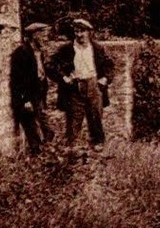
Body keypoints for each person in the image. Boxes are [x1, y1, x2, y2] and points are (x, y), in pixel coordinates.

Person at [48, 18, 113, 148]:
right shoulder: (66, 49)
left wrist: (105, 78)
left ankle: (98, 147)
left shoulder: (98, 48)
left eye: (82, 31)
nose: (79, 34)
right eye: (77, 31)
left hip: (94, 86)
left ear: (89, 32)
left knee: (96, 118)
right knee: (73, 121)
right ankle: (71, 150)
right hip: (74, 88)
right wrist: (63, 77)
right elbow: (50, 65)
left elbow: (109, 65)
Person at [8, 22, 54, 155]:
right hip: (27, 96)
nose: (45, 37)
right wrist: (25, 100)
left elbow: (41, 73)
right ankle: (37, 154)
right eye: (42, 34)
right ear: (34, 35)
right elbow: (18, 79)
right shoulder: (21, 53)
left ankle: (45, 150)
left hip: (38, 93)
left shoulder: (39, 52)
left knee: (46, 127)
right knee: (30, 125)